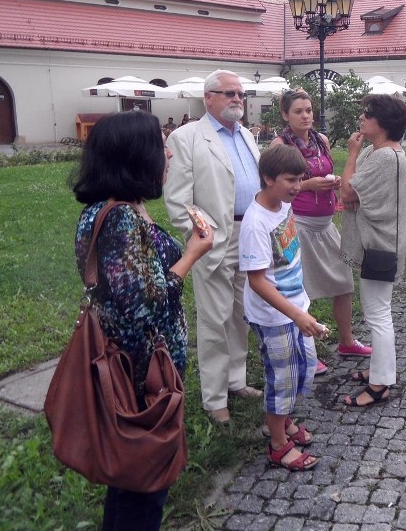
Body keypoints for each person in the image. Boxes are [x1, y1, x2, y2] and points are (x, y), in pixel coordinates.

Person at [71, 110, 214, 530]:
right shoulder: (121, 219)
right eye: (160, 145)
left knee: (130, 477)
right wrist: (191, 255)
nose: (168, 153)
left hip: (137, 369)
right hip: (140, 377)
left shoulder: (122, 209)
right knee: (145, 482)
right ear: (136, 155)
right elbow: (142, 307)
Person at [164, 69, 262, 424]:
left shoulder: (247, 135)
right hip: (214, 239)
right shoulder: (186, 137)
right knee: (214, 319)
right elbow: (178, 202)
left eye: (240, 93)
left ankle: (236, 379)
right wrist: (205, 234)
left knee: (241, 315)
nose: (237, 98)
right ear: (208, 98)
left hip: (250, 235)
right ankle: (214, 399)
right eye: (228, 93)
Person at [271, 89, 370, 374]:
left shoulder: (321, 140)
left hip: (325, 224)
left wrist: (335, 182)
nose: (305, 116)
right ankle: (306, 353)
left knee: (344, 281)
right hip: (299, 223)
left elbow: (325, 170)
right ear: (285, 115)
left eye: (309, 110)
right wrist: (308, 185)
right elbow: (274, 187)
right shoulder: (280, 145)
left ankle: (347, 341)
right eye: (298, 111)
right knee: (301, 291)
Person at [239, 144, 325, 472]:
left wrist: (300, 308)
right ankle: (277, 444)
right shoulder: (255, 222)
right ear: (268, 178)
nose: (297, 186)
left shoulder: (282, 204)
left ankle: (283, 420)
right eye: (290, 180)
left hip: (294, 307)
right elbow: (258, 282)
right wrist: (297, 315)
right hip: (276, 316)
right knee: (282, 380)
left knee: (302, 368)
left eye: (300, 179)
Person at [340, 94, 406, 406]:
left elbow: (347, 192)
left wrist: (351, 153)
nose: (361, 118)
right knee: (379, 312)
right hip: (380, 241)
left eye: (367, 114)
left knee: (378, 315)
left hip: (379, 244)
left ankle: (380, 383)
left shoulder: (383, 156)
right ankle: (380, 370)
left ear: (383, 123)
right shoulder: (379, 150)